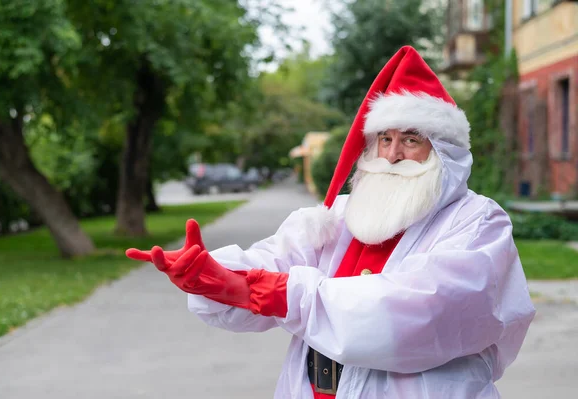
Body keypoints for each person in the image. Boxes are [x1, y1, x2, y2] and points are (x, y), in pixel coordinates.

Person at [126, 46, 535, 399]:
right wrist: (215, 277)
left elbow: (424, 311)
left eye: (411, 139)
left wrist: (281, 294)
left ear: (442, 151)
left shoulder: (477, 222)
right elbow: (271, 266)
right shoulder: (337, 215)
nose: (392, 155)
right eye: (384, 139)